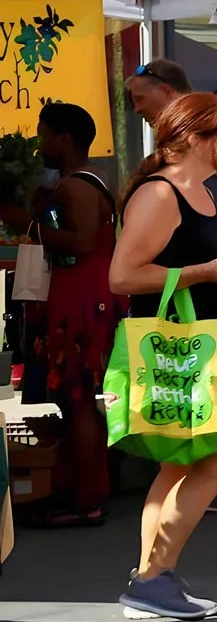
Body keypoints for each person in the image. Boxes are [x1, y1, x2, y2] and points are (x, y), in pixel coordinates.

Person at [108, 92, 217, 621]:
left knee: (178, 462)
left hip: (198, 348)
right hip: (178, 347)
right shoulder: (161, 193)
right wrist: (209, 271)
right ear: (197, 139)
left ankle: (152, 577)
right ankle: (152, 578)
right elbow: (122, 276)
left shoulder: (198, 192)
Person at [15, 103, 121, 529]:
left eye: (44, 135)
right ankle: (81, 490)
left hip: (81, 304)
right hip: (85, 298)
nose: (40, 144)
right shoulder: (87, 181)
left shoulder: (76, 187)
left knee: (78, 400)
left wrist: (29, 225)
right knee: (74, 399)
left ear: (64, 138)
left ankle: (87, 499)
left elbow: (79, 241)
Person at [127, 60, 217, 229]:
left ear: (166, 90)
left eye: (140, 99)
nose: (136, 109)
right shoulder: (174, 137)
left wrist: (201, 215)